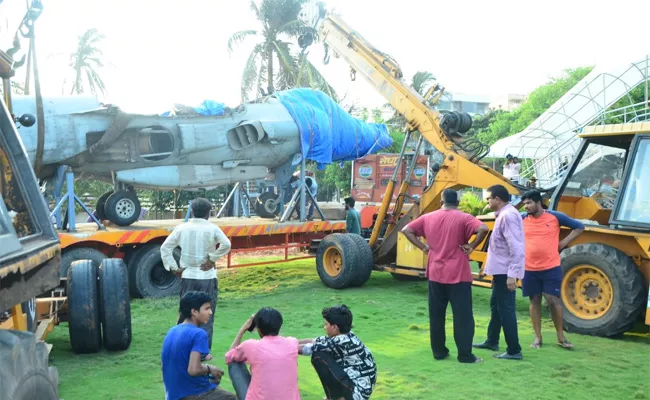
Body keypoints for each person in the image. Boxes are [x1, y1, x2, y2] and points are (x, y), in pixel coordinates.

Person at [401, 189, 489, 363]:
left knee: (436, 315)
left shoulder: (428, 217)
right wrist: (471, 246)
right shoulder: (463, 217)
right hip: (458, 274)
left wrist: (424, 247)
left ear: (441, 202)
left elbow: (406, 230)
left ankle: (439, 352)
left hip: (435, 273)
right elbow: (483, 228)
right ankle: (465, 355)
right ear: (457, 203)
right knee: (463, 316)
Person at [161, 198, 231, 351]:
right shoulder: (212, 228)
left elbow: (165, 248)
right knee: (207, 316)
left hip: (188, 277)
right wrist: (212, 258)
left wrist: (174, 267)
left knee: (185, 314)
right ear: (209, 213)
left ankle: (179, 348)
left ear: (191, 211)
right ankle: (203, 353)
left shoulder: (182, 228)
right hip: (207, 278)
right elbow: (227, 244)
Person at [520, 190, 584, 349]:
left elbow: (579, 227)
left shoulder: (555, 216)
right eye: (524, 203)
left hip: (550, 267)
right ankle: (537, 338)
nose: (526, 206)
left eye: (529, 203)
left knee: (552, 300)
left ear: (538, 203)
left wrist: (563, 243)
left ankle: (561, 337)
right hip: (528, 267)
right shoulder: (521, 218)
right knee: (534, 301)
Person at [473, 184, 525, 360]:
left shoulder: (508, 216)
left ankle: (514, 350)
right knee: (496, 306)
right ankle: (492, 340)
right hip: (500, 271)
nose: (487, 201)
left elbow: (516, 247)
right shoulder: (504, 214)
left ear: (497, 199)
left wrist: (512, 275)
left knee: (506, 309)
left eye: (489, 198)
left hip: (506, 272)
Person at [161, 291, 236, 400]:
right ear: (194, 311)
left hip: (173, 394)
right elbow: (193, 370)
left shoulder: (172, 331)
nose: (210, 312)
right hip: (192, 392)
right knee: (230, 398)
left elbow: (167, 365)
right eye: (207, 308)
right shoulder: (199, 334)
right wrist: (210, 369)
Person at [301, 305, 376, 400]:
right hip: (359, 387)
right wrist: (289, 341)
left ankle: (335, 398)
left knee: (318, 356)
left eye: (326, 324)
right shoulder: (347, 335)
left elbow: (307, 349)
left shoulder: (341, 340)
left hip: (357, 393)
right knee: (322, 351)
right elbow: (314, 341)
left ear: (334, 327)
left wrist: (283, 347)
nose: (324, 327)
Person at [224, 308, 301, 400]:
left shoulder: (251, 345)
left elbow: (229, 357)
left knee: (234, 362)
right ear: (280, 327)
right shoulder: (292, 342)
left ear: (258, 329)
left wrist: (242, 330)